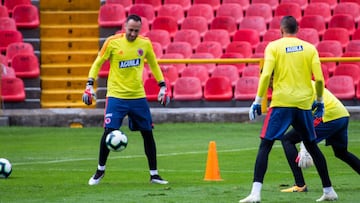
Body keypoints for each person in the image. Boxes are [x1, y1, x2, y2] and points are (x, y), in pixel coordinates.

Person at [240, 16, 337, 202]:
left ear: (281, 30)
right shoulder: (309, 48)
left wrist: (257, 100)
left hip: (282, 103)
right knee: (312, 147)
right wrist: (319, 101)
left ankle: (255, 193)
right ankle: (328, 190)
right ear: (297, 29)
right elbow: (319, 79)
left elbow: (267, 73)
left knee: (265, 145)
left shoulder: (274, 47)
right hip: (303, 104)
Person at [82, 14, 169, 186]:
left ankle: (154, 175)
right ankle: (100, 171)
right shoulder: (112, 42)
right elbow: (98, 63)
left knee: (148, 133)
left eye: (136, 31)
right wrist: (89, 85)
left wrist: (163, 86)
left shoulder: (144, 43)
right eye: (130, 30)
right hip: (116, 96)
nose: (133, 34)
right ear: (124, 27)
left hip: (137, 96)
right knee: (108, 132)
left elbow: (153, 64)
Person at [281, 83, 360, 192]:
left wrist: (304, 146)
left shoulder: (293, 87)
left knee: (288, 140)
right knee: (341, 152)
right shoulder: (301, 81)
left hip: (328, 116)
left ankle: (300, 185)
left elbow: (301, 114)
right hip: (341, 115)